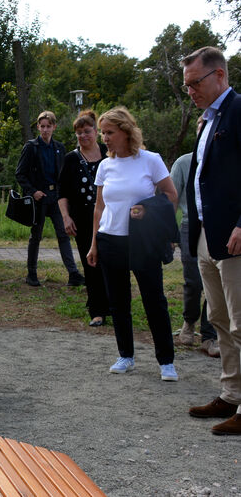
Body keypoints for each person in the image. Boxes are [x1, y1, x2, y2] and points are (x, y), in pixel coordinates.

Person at [87, 106, 179, 382]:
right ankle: (126, 355)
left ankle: (166, 361)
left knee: (155, 301)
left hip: (143, 242)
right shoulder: (105, 165)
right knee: (118, 302)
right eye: (102, 132)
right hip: (110, 240)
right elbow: (99, 208)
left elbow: (171, 195)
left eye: (109, 132)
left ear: (126, 132)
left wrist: (148, 213)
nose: (104, 137)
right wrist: (94, 244)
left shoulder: (150, 160)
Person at [181, 46, 241, 435]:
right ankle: (231, 393)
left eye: (195, 83)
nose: (190, 92)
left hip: (235, 236)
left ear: (219, 75)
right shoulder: (206, 119)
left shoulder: (239, 111)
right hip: (207, 234)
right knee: (219, 319)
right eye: (186, 87)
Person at [15, 111, 85, 287]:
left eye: (48, 126)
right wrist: (33, 191)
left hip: (56, 197)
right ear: (38, 127)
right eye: (42, 126)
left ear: (54, 127)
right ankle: (32, 274)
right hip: (39, 198)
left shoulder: (59, 148)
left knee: (63, 233)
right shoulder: (31, 147)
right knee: (36, 236)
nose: (45, 130)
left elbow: (64, 175)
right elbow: (20, 174)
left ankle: (73, 274)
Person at [170, 115, 218, 357]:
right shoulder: (183, 163)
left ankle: (209, 336)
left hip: (217, 226)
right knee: (194, 281)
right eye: (202, 129)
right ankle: (189, 323)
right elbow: (172, 199)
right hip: (190, 226)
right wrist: (169, 232)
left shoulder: (224, 160)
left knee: (214, 283)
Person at [58, 111, 110, 327]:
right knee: (91, 263)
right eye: (79, 133)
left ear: (96, 132)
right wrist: (66, 217)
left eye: (87, 131)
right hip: (83, 219)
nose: (83, 136)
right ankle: (97, 310)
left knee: (111, 262)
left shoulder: (110, 153)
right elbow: (62, 192)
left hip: (110, 217)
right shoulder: (71, 159)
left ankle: (113, 305)